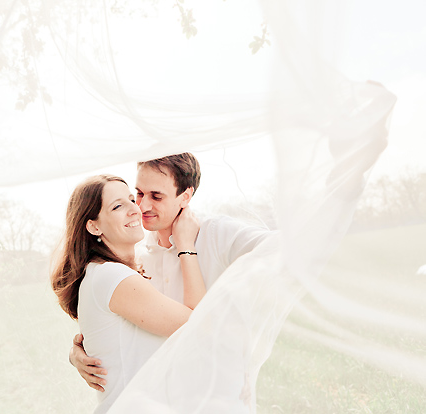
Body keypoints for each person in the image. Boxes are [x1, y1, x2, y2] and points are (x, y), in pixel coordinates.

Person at [69, 153, 271, 393]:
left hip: (219, 391)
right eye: (140, 194)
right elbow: (125, 332)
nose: (141, 207)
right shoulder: (135, 262)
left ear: (185, 196)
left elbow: (281, 249)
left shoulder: (217, 234)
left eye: (155, 196)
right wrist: (81, 350)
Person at [51, 174, 207, 413]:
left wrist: (75, 354)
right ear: (93, 226)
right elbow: (198, 325)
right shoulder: (111, 276)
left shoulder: (107, 274)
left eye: (131, 200)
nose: (135, 209)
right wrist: (186, 247)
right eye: (117, 206)